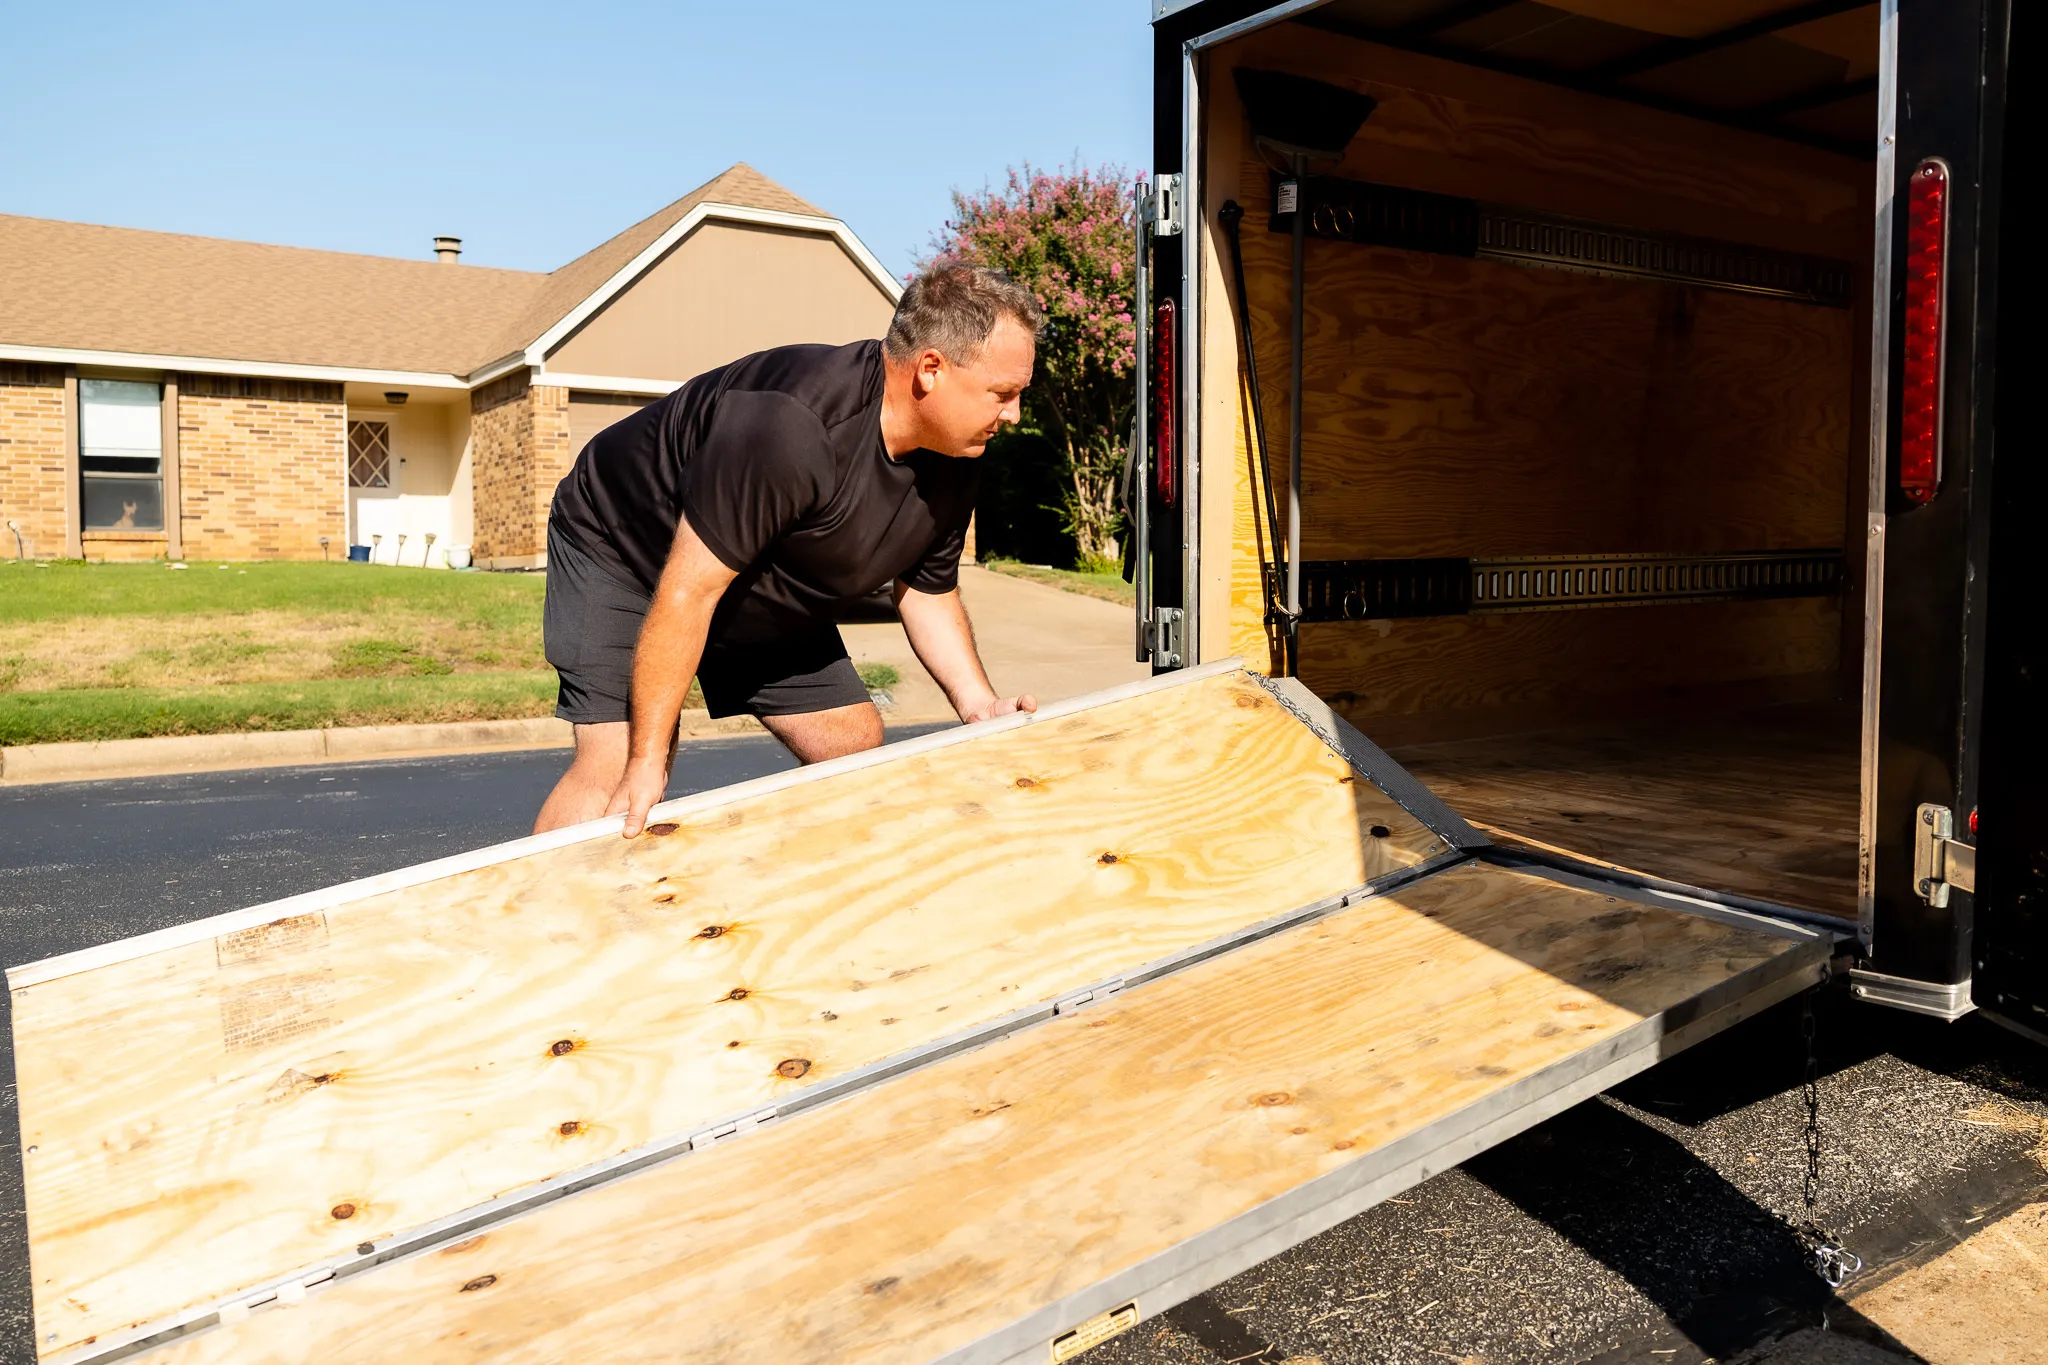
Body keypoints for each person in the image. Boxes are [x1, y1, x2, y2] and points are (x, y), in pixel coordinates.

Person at [533, 262, 1043, 837]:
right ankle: (540, 897)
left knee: (851, 744)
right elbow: (688, 591)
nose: (1013, 415)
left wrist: (979, 705)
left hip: (758, 566)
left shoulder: (954, 452)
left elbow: (927, 590)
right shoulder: (790, 425)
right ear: (931, 369)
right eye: (1003, 394)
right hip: (626, 549)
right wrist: (648, 761)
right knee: (619, 773)